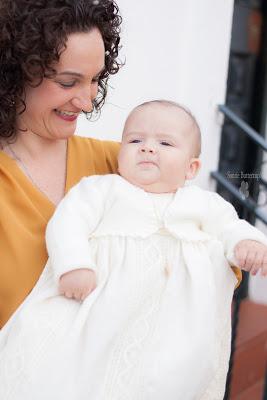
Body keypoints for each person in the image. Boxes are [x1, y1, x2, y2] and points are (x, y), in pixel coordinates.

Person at [1, 100, 267, 400]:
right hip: (105, 311)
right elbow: (68, 223)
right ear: (119, 155)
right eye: (135, 140)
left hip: (175, 324)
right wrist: (74, 264)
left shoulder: (205, 205)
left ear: (191, 167)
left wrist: (249, 244)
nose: (148, 148)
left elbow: (230, 227)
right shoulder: (102, 190)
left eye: (165, 143)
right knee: (78, 368)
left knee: (174, 375)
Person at [0, 0, 122, 328]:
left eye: (95, 79)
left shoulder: (123, 164)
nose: (86, 102)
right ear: (15, 74)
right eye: (68, 83)